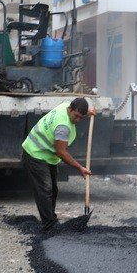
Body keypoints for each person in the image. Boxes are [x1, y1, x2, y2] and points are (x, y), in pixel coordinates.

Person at [21, 98, 94, 233]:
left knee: (53, 189)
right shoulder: (63, 127)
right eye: (76, 116)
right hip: (35, 152)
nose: (78, 120)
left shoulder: (66, 106)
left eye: (81, 117)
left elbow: (78, 110)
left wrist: (88, 112)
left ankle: (51, 220)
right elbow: (61, 152)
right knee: (45, 189)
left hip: (47, 154)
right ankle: (49, 225)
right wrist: (80, 168)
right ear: (70, 109)